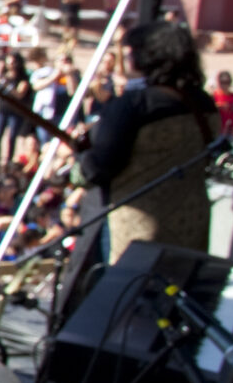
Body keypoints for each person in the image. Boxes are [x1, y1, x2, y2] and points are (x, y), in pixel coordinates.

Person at [74, 19, 223, 268]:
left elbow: (100, 168)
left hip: (139, 227)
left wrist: (82, 153)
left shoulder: (133, 105)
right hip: (189, 221)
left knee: (126, 288)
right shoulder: (203, 102)